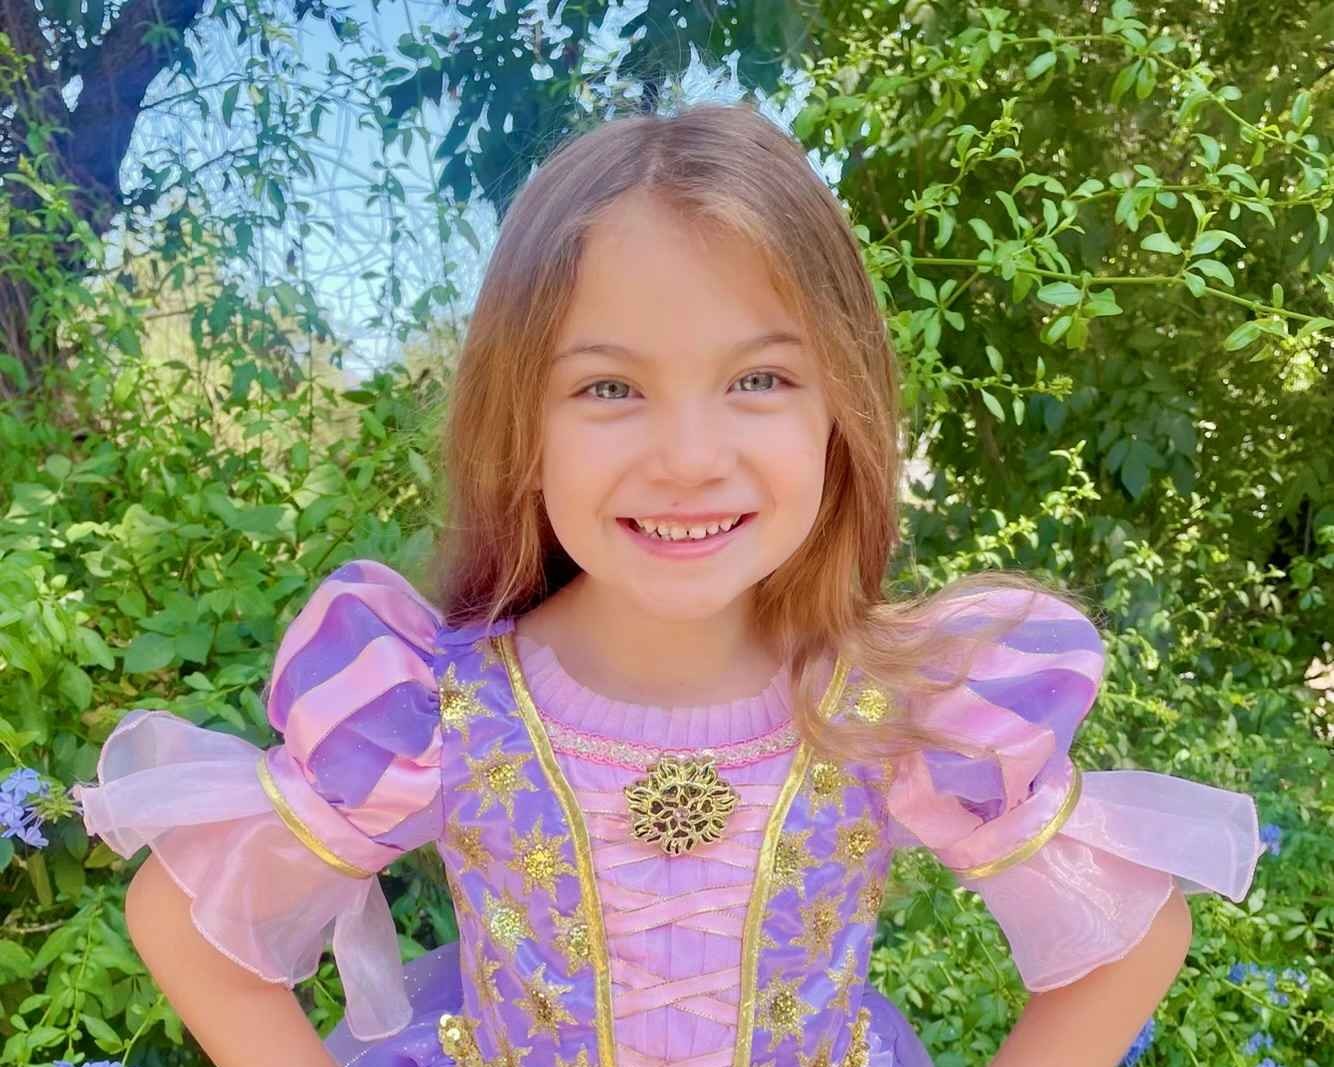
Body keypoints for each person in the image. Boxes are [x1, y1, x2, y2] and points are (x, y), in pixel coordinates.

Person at [71, 102, 1261, 1067]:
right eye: (608, 387)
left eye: (757, 379)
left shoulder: (902, 704)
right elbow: (190, 922)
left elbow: (1128, 937)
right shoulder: (430, 710)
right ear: (520, 425)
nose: (688, 456)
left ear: (840, 407)